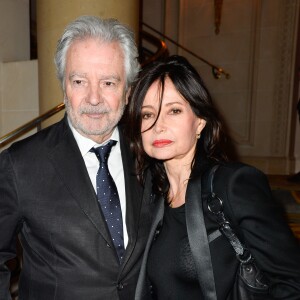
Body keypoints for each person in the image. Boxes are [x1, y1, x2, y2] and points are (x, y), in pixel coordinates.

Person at [0, 16, 155, 300]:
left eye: (108, 82)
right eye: (80, 81)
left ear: (128, 90)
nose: (93, 98)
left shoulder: (151, 153)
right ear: (64, 86)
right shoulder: (19, 165)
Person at [126, 55, 300, 299]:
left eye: (174, 110)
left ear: (199, 122)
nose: (158, 125)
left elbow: (292, 282)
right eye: (147, 114)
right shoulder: (149, 195)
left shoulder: (233, 185)